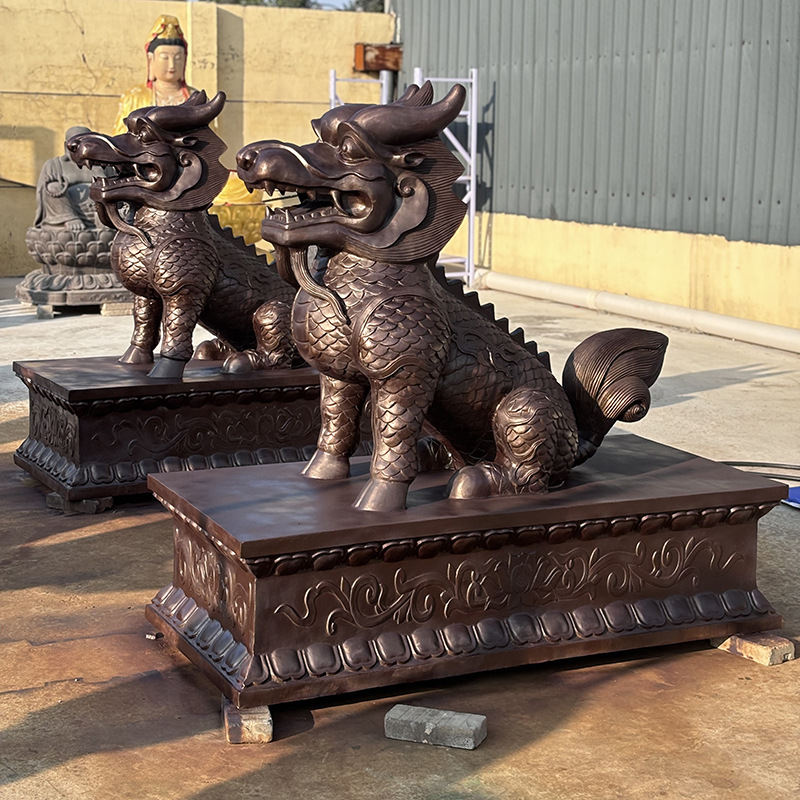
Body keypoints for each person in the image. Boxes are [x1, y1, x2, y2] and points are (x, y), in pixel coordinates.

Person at [112, 15, 196, 135]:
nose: (172, 65)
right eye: (165, 57)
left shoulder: (195, 98)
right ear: (151, 60)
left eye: (177, 58)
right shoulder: (134, 97)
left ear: (185, 60)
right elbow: (120, 138)